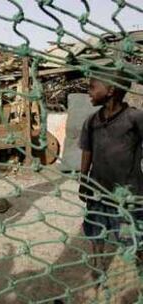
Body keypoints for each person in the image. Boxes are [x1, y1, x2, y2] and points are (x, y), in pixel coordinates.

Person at [78, 67, 143, 281]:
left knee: (132, 235)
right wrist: (83, 179)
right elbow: (87, 151)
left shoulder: (134, 118)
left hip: (128, 194)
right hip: (98, 190)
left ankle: (140, 269)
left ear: (111, 90)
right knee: (96, 230)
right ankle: (97, 266)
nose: (88, 91)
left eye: (92, 87)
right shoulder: (92, 121)